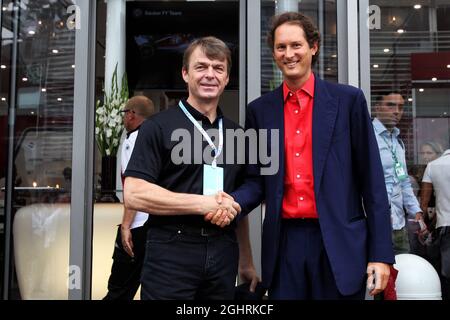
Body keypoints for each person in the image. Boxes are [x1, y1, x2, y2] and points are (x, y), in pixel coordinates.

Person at [211, 12, 394, 300]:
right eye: (281, 47)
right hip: (284, 245)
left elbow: (373, 182)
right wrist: (231, 203)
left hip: (340, 242)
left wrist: (381, 255)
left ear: (313, 46)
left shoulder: (348, 101)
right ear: (273, 52)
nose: (289, 54)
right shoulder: (260, 110)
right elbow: (256, 180)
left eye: (296, 45)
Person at [123, 37, 258, 300]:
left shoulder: (236, 134)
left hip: (223, 251)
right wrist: (202, 204)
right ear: (185, 74)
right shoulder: (157, 127)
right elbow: (134, 193)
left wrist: (246, 261)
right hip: (171, 250)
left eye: (218, 68)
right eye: (201, 67)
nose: (210, 74)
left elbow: (236, 202)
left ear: (227, 78)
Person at [103, 95, 156, 300]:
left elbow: (134, 187)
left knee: (119, 289)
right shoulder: (155, 138)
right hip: (154, 225)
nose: (124, 118)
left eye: (125, 113)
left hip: (138, 225)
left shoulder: (133, 141)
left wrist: (126, 225)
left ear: (132, 114)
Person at [372, 91, 426, 255]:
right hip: (375, 223)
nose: (397, 111)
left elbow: (403, 181)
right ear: (377, 108)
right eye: (391, 105)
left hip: (399, 224)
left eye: (401, 107)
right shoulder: (367, 136)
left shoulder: (397, 141)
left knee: (403, 275)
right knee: (376, 276)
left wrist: (416, 212)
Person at [420, 146, 450, 300]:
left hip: (446, 225)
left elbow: (424, 204)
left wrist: (424, 227)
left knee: (447, 274)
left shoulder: (433, 166)